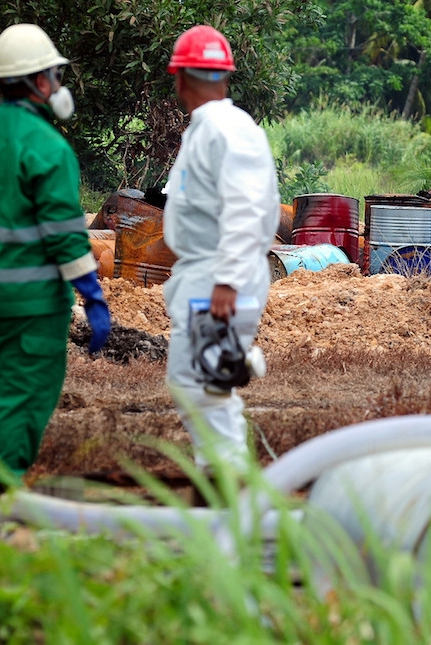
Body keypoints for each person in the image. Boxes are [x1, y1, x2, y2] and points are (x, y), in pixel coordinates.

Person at [0, 23, 111, 517]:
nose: (58, 84)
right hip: (30, 303)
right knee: (23, 395)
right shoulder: (47, 146)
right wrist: (93, 297)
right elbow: (63, 235)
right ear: (37, 82)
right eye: (54, 74)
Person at [161, 25, 280, 486]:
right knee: (206, 382)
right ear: (224, 78)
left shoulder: (226, 129)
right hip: (211, 271)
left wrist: (227, 280)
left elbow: (246, 206)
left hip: (221, 273)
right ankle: (222, 485)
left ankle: (226, 487)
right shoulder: (210, 129)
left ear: (181, 79)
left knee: (201, 384)